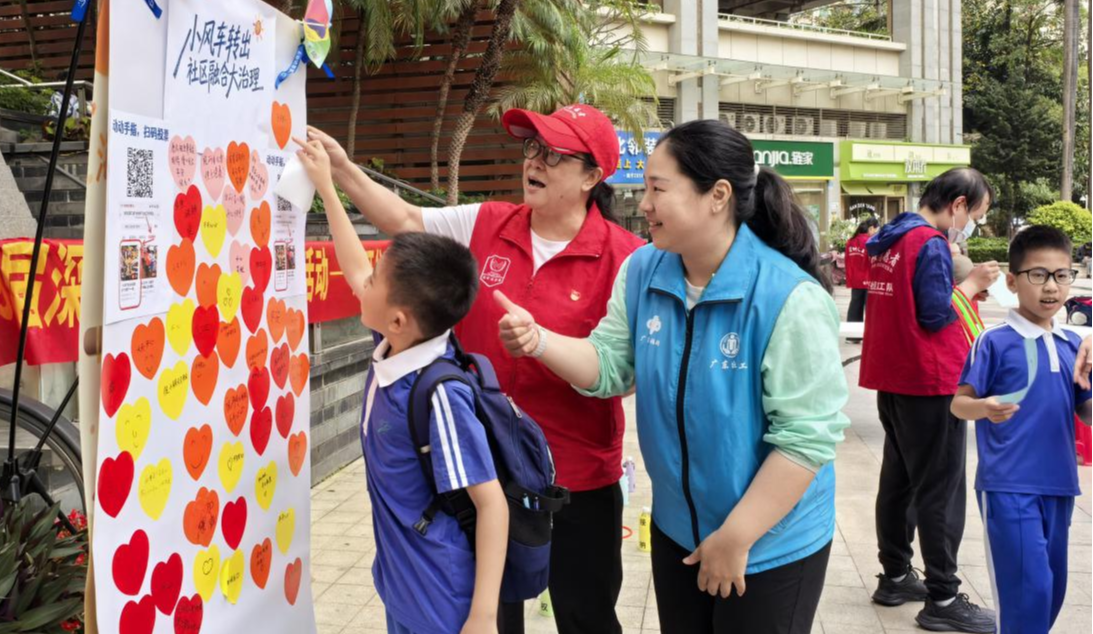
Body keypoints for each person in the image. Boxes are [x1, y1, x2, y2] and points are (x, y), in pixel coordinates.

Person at [494, 120, 850, 634]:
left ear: (717, 196)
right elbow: (610, 364)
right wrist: (540, 341)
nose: (644, 205)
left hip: (770, 541)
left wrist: (736, 538)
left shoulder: (788, 298)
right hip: (677, 530)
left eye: (658, 189)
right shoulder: (644, 271)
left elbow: (805, 440)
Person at [308, 103, 645, 634]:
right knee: (491, 612)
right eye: (532, 147)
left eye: (554, 154)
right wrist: (343, 170)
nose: (534, 161)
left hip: (577, 478)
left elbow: (622, 372)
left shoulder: (629, 258)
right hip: (483, 470)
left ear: (591, 177)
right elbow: (405, 220)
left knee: (586, 616)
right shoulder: (488, 221)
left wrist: (541, 343)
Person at [295, 135, 509, 634]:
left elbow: (491, 504)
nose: (362, 283)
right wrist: (327, 187)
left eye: (375, 282)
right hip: (402, 582)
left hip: (441, 596)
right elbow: (354, 266)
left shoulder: (440, 397)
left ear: (397, 319)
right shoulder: (398, 344)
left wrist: (482, 617)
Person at [860, 168, 1001, 632]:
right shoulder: (930, 243)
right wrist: (973, 283)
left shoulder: (889, 238)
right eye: (976, 214)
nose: (973, 224)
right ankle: (943, 598)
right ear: (958, 204)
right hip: (930, 381)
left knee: (899, 481)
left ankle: (896, 575)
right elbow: (936, 314)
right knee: (940, 489)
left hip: (893, 377)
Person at [952, 225, 1093, 634]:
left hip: (1060, 485)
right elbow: (959, 404)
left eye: (1061, 275)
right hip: (1008, 485)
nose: (1051, 287)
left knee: (1052, 589)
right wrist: (984, 408)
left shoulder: (1072, 344)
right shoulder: (994, 341)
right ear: (1013, 282)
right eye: (1038, 275)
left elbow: (1086, 413)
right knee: (1026, 591)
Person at [845, 217, 880, 336]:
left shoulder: (850, 241)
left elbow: (848, 261)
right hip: (868, 279)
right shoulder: (870, 242)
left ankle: (852, 336)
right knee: (869, 309)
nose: (876, 233)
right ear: (871, 228)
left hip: (855, 279)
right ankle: (871, 335)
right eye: (876, 230)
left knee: (855, 306)